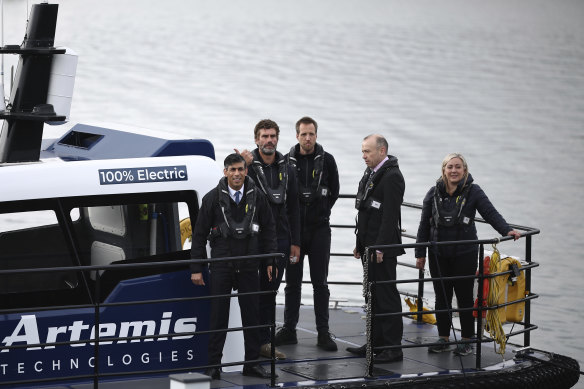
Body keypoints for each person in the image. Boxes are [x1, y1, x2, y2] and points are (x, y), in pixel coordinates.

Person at [415, 153, 521, 356]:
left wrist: (506, 230)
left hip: (465, 253)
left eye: (458, 167)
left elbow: (490, 213)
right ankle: (443, 338)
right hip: (438, 254)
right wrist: (420, 253)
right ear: (444, 170)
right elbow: (423, 225)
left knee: (464, 297)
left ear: (465, 170)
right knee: (442, 297)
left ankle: (466, 340)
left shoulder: (474, 192)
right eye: (450, 167)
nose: (454, 171)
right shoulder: (432, 193)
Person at [190, 153, 277, 379]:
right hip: (221, 265)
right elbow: (198, 236)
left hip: (249, 265)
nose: (237, 174)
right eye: (232, 170)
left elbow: (269, 230)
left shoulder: (258, 197)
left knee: (252, 316)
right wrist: (196, 268)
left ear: (246, 171)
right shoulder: (211, 199)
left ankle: (252, 364)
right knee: (218, 316)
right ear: (225, 172)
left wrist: (269, 261)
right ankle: (213, 366)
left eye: (240, 169)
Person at [236, 119, 301, 360]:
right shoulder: (247, 166)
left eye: (273, 136)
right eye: (264, 136)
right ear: (256, 140)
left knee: (271, 291)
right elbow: (229, 190)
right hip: (253, 240)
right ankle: (249, 341)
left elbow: (294, 207)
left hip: (281, 239)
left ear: (278, 139)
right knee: (252, 291)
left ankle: (265, 342)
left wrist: (296, 242)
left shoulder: (287, 167)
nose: (269, 140)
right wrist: (242, 164)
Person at [274, 116, 340, 351]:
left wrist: (319, 213)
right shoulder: (285, 162)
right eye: (303, 134)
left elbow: (334, 192)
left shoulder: (328, 161)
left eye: (311, 133)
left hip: (320, 230)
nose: (308, 138)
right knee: (292, 283)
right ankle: (289, 329)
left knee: (320, 283)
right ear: (297, 136)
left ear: (316, 135)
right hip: (293, 233)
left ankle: (323, 333)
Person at [347, 134, 405, 363]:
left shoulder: (392, 177)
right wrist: (360, 244)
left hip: (383, 250)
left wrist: (380, 248)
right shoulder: (371, 172)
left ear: (382, 151)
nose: (364, 156)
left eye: (367, 152)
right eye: (362, 151)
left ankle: (392, 348)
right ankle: (374, 343)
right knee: (372, 297)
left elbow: (389, 217)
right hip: (369, 247)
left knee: (386, 296)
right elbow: (366, 211)